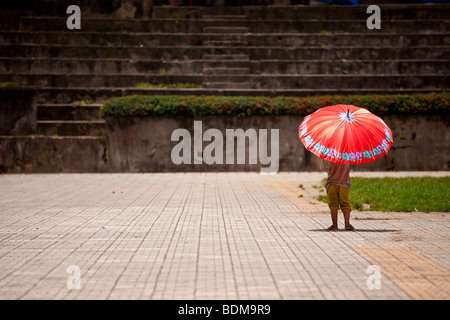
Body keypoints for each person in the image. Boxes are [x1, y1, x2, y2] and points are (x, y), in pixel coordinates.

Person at [321, 159, 354, 231]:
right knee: (345, 203)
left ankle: (335, 225)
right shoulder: (347, 155)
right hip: (344, 183)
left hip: (331, 183)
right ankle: (347, 224)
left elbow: (323, 168)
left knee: (333, 204)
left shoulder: (328, 155)